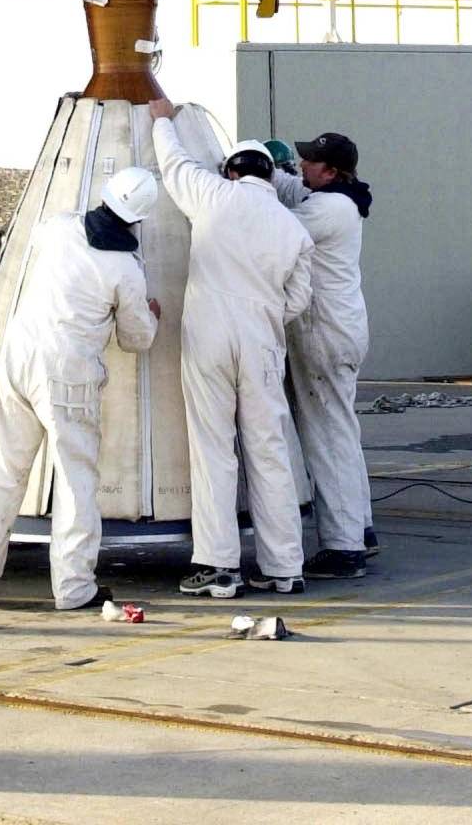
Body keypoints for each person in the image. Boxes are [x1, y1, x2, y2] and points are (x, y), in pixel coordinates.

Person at [0, 167, 161, 609]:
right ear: (140, 219)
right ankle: (73, 588)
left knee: (4, 469)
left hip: (17, 356)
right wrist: (150, 312)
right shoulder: (125, 267)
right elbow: (136, 338)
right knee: (75, 479)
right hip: (68, 371)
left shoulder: (57, 228)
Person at [149, 99, 313, 599]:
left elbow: (174, 164)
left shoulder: (214, 195)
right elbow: (299, 300)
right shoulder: (294, 228)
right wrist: (260, 314)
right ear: (269, 174)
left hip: (210, 338)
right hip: (263, 342)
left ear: (231, 169)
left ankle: (219, 566)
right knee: (269, 452)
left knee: (214, 449)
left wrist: (162, 119)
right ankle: (284, 566)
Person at [270, 132, 376, 579]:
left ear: (330, 171)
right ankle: (361, 528)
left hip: (323, 335)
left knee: (327, 440)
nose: (301, 168)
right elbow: (292, 189)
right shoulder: (341, 199)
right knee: (342, 433)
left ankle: (343, 546)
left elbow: (273, 230)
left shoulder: (326, 209)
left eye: (309, 162)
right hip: (341, 330)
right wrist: (265, 170)